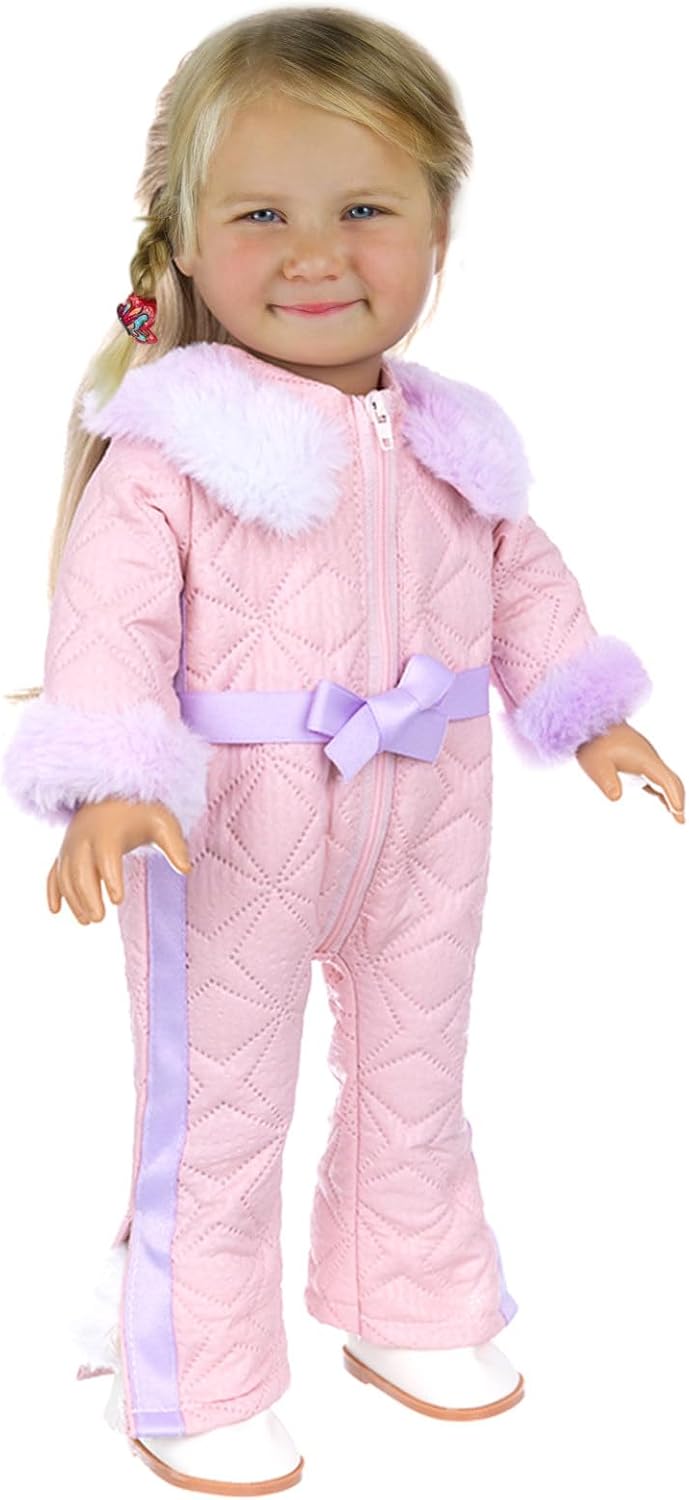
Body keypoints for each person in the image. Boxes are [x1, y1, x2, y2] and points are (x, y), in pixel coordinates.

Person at [2, 7, 684, 1494]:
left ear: (439, 230)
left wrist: (588, 710)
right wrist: (111, 787)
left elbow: (520, 581)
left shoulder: (455, 437)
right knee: (222, 1101)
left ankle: (411, 1297)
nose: (316, 253)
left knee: (415, 1069)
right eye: (262, 214)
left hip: (430, 803)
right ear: (185, 244)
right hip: (230, 819)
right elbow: (108, 624)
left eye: (365, 209)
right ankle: (190, 1368)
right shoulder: (169, 450)